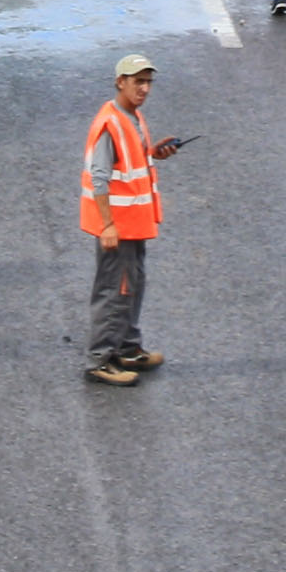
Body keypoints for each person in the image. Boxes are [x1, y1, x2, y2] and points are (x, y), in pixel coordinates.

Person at [80, 55, 187, 385]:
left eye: (148, 82)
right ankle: (101, 358)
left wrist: (154, 152)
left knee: (132, 286)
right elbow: (99, 178)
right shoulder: (110, 124)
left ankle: (127, 348)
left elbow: (132, 162)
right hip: (119, 226)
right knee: (115, 290)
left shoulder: (132, 117)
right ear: (120, 82)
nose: (143, 88)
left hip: (134, 223)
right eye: (137, 81)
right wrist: (107, 225)